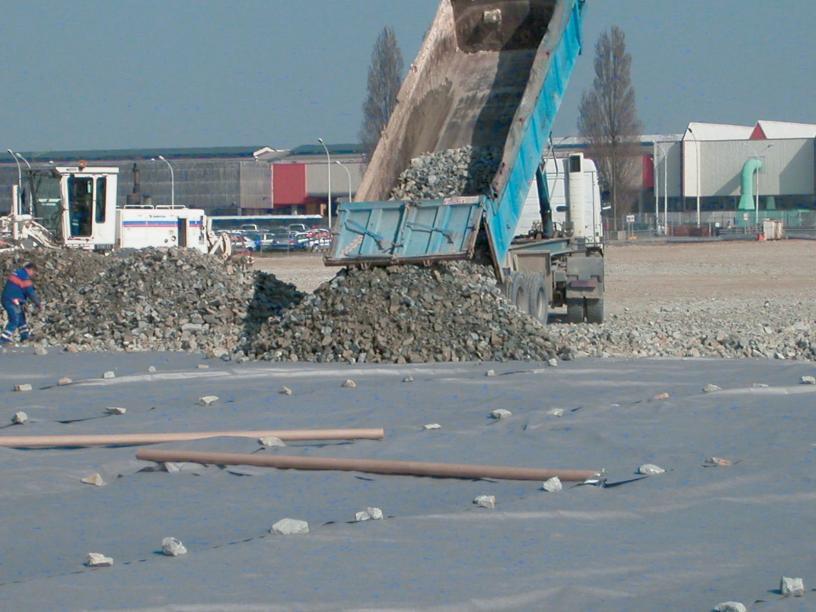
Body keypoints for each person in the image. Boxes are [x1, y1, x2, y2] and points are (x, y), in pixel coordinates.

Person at [1, 262, 42, 344]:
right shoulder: (24, 277)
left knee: (21, 318)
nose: (33, 275)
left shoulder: (17, 272)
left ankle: (25, 336)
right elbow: (31, 293)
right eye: (34, 273)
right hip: (12, 300)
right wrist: (38, 304)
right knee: (14, 319)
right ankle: (3, 338)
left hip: (10, 299)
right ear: (31, 270)